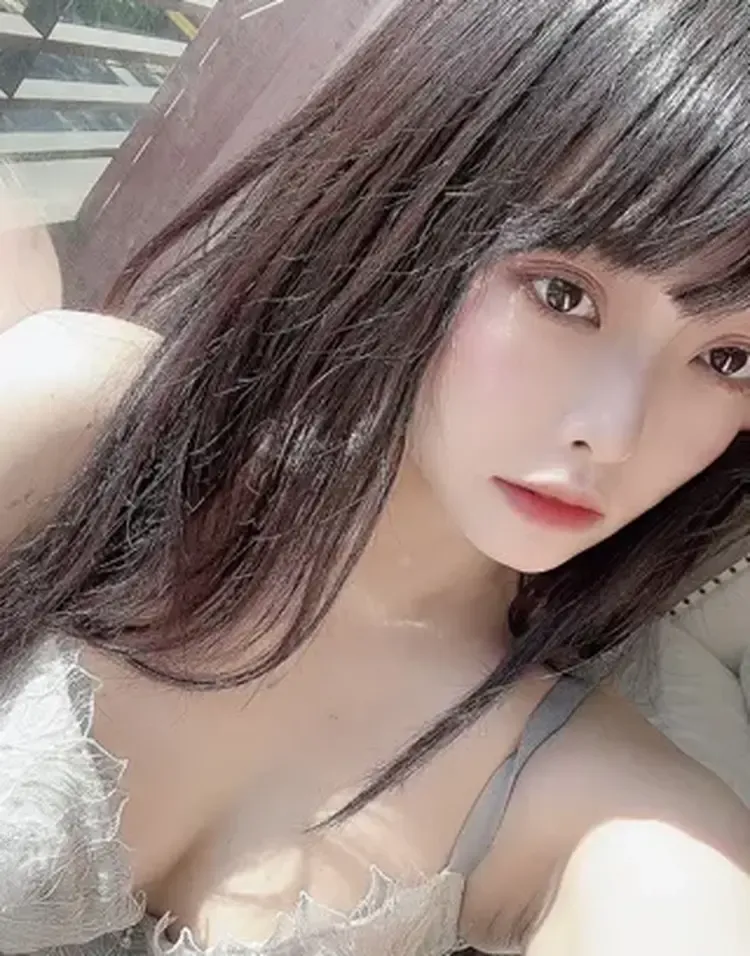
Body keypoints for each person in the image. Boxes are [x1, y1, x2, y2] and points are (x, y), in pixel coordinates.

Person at [1, 1, 750, 953]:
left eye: (728, 358)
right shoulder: (87, 424)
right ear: (417, 210)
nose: (611, 433)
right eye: (563, 294)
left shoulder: (606, 810)